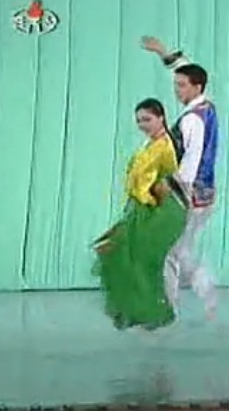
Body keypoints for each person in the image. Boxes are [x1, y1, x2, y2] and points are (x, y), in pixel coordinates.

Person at [140, 36, 219, 321]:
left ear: (196, 87)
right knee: (180, 251)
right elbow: (187, 68)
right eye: (175, 85)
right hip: (203, 194)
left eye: (182, 86)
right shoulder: (205, 106)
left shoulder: (192, 120)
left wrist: (169, 189)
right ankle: (205, 293)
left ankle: (170, 308)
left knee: (171, 253)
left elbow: (191, 164)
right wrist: (163, 52)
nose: (177, 90)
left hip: (190, 196)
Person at [92, 98, 188, 331]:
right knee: (121, 255)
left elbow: (172, 180)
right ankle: (132, 311)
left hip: (159, 210)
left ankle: (155, 312)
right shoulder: (150, 145)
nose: (142, 125)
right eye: (139, 121)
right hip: (140, 208)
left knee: (141, 261)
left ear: (161, 118)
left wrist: (161, 196)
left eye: (147, 119)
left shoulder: (165, 146)